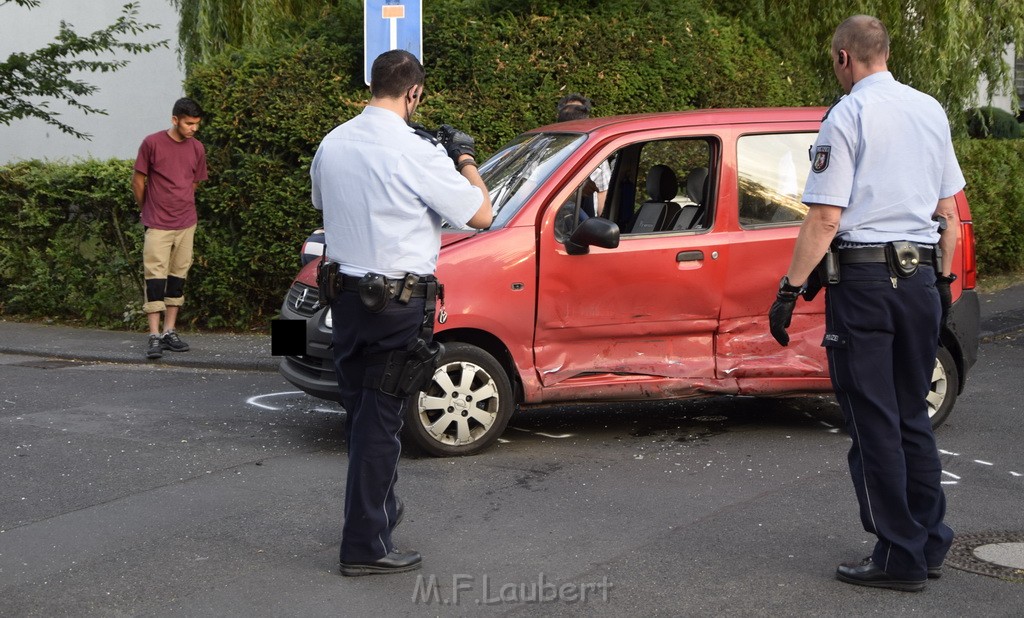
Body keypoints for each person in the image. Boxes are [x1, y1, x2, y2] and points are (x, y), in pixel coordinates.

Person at [768, 15, 962, 592]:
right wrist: (943, 280)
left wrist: (789, 288)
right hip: (922, 278)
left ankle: (897, 555)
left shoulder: (847, 114)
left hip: (868, 288)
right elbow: (949, 211)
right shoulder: (930, 110)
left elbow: (826, 216)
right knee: (911, 419)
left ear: (844, 58)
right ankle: (929, 543)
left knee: (873, 422)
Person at [310, 49, 492, 577]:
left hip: (344, 299)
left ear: (373, 85)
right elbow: (481, 214)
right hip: (397, 302)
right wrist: (464, 160)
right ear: (414, 93)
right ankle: (365, 544)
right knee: (381, 420)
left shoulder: (333, 141)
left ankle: (379, 513)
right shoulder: (419, 151)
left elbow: (324, 203)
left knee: (362, 413)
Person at [132, 97, 208, 360]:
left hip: (186, 222)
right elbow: (139, 180)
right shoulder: (152, 143)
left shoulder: (197, 148)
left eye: (196, 124)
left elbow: (194, 182)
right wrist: (148, 208)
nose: (193, 129)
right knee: (155, 277)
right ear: (175, 119)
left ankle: (169, 331)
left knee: (178, 276)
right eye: (189, 123)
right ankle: (153, 335)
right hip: (158, 223)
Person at [556, 93, 610, 217]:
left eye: (577, 113)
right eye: (569, 114)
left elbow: (603, 197)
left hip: (586, 225)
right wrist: (578, 190)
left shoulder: (597, 157)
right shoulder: (549, 155)